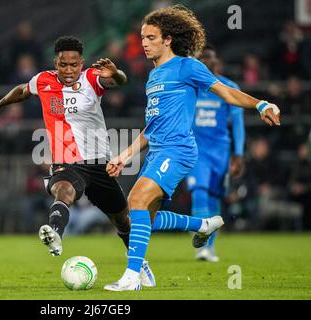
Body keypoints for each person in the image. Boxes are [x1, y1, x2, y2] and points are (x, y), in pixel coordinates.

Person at [104, 6, 281, 291]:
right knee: (139, 217)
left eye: (150, 37)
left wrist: (260, 103)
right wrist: (124, 156)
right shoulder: (154, 76)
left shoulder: (188, 66)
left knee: (136, 200)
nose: (144, 43)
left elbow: (225, 92)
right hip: (157, 152)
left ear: (168, 39)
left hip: (178, 150)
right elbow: (150, 128)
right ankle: (201, 225)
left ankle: (132, 277)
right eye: (142, 38)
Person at [0, 36, 156, 287]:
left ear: (81, 63)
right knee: (64, 190)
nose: (68, 70)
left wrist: (117, 73)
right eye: (63, 64)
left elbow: (118, 81)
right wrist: (0, 104)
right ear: (55, 63)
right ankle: (55, 234)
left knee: (122, 219)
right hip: (67, 162)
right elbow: (23, 90)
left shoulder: (92, 78)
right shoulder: (43, 80)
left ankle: (138, 264)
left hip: (99, 162)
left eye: (73, 65)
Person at [184, 45, 245, 262]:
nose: (206, 61)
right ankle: (201, 246)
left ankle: (209, 246)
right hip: (196, 150)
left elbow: (237, 123)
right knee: (199, 191)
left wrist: (238, 154)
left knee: (214, 196)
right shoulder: (190, 87)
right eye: (201, 58)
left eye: (209, 57)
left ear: (215, 60)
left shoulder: (228, 87)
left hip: (220, 152)